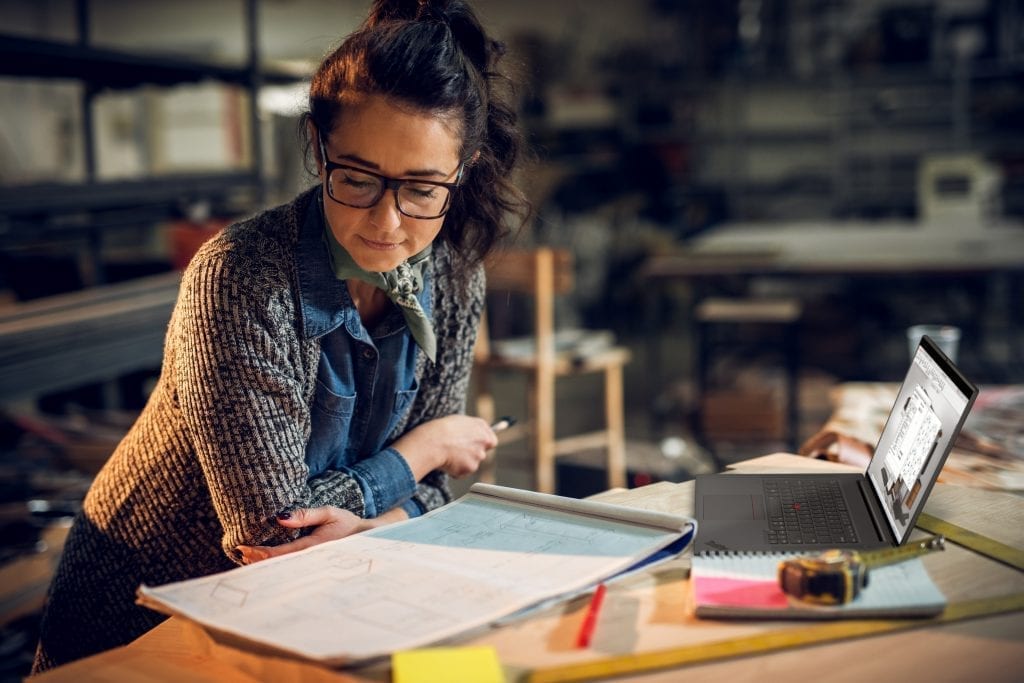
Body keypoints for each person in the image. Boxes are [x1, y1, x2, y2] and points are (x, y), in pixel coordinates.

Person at [31, 0, 527, 672]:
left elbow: (434, 496)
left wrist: (372, 524)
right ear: (320, 149)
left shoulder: (454, 273)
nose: (387, 221)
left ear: (460, 171)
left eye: (420, 188)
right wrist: (422, 447)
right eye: (357, 178)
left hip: (303, 604)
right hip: (140, 627)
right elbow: (271, 533)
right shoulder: (240, 277)